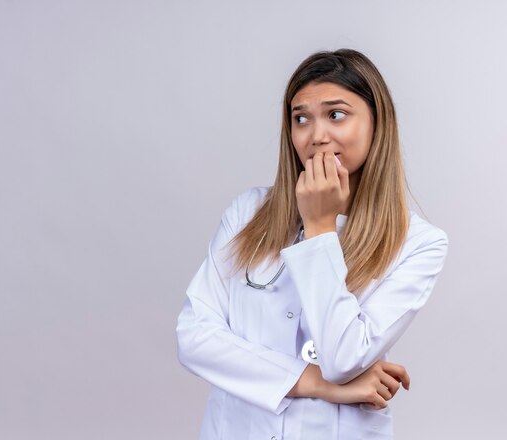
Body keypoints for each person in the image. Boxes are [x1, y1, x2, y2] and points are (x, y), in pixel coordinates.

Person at [176, 48, 449, 440]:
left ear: (377, 124)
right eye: (301, 118)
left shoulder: (418, 243)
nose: (317, 136)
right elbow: (194, 338)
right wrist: (318, 384)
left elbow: (343, 358)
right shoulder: (247, 212)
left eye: (336, 114)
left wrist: (320, 227)